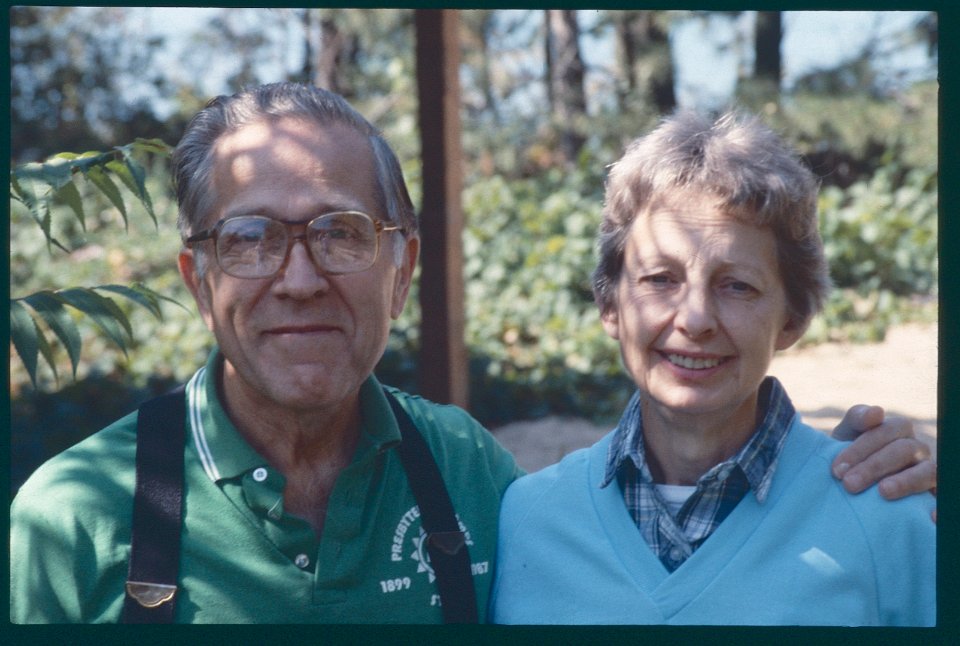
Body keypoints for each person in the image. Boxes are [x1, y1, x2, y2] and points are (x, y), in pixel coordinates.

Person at [9, 84, 934, 624]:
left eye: (340, 233)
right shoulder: (69, 524)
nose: (296, 279)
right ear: (196, 275)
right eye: (250, 237)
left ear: (402, 266)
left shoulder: (478, 485)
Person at [490, 110, 936, 626]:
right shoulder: (526, 520)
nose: (695, 319)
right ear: (609, 305)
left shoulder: (889, 520)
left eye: (737, 285)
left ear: (792, 319)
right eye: (660, 279)